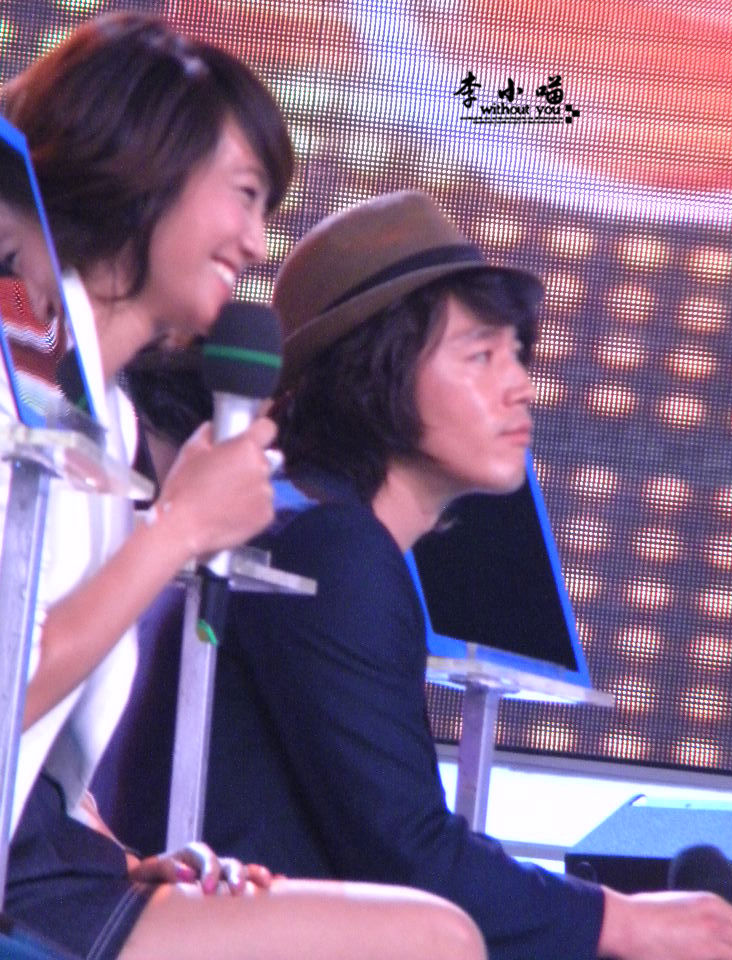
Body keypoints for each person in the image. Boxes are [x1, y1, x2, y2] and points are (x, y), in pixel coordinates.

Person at [0, 18, 487, 960]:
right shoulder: (16, 383)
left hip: (45, 864)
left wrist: (117, 854)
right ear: (147, 167)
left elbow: (40, 742)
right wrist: (176, 531)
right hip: (21, 890)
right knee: (428, 941)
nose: (260, 244)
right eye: (246, 195)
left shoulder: (108, 420)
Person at [197, 190, 732, 960]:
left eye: (517, 354)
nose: (520, 384)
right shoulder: (333, 547)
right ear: (376, 370)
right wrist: (626, 921)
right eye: (480, 355)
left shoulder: (321, 528)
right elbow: (409, 855)